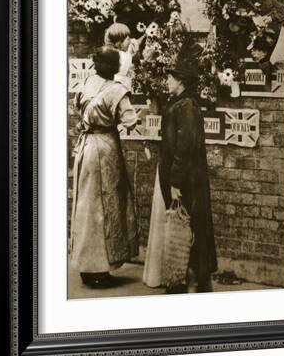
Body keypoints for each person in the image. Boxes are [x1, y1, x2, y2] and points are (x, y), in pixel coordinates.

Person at [143, 53, 217, 293]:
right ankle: (189, 278)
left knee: (187, 226)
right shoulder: (184, 104)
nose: (167, 81)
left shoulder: (185, 107)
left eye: (170, 77)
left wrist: (174, 181)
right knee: (188, 224)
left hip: (186, 180)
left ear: (181, 81)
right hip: (188, 178)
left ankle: (188, 281)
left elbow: (183, 149)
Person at [69, 47, 139, 289]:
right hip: (105, 147)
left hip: (85, 147)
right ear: (116, 68)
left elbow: (75, 107)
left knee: (86, 205)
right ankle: (98, 268)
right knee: (104, 206)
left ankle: (85, 267)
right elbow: (130, 121)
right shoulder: (117, 90)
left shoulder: (87, 83)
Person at [104, 22, 144, 90]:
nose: (130, 42)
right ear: (119, 41)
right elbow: (133, 58)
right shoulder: (123, 56)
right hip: (117, 92)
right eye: (128, 39)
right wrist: (137, 48)